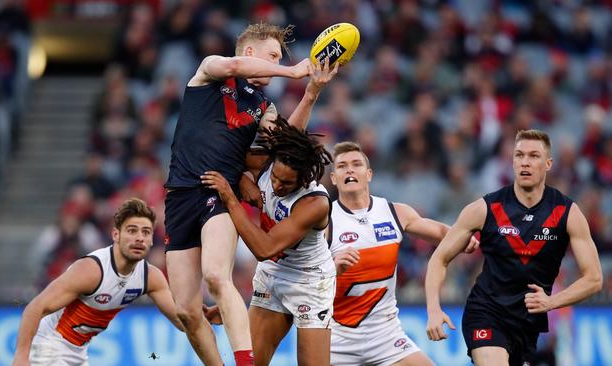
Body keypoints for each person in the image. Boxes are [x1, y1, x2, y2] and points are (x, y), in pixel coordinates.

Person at [164, 22, 337, 366]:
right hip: (179, 194)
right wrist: (291, 70)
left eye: (279, 59)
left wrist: (311, 91)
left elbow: (285, 143)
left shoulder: (264, 107)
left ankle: (244, 363)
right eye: (271, 56)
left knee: (215, 275)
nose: (274, 67)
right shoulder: (209, 71)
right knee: (184, 309)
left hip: (219, 192)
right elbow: (232, 67)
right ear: (248, 52)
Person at [425, 129, 603, 365]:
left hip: (527, 325)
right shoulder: (484, 208)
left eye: (533, 156)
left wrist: (552, 302)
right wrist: (433, 309)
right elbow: (439, 259)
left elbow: (594, 279)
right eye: (519, 155)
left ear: (548, 163)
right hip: (486, 312)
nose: (525, 162)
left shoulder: (567, 213)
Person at [327, 141, 478, 366]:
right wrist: (331, 265)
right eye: (342, 166)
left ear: (369, 174)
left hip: (386, 337)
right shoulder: (323, 220)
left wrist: (464, 239)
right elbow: (303, 276)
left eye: (356, 164)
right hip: (337, 338)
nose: (349, 169)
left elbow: (438, 231)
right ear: (333, 178)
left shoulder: (394, 212)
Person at [201, 117, 335, 366]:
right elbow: (224, 157)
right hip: (273, 274)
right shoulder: (264, 163)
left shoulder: (314, 203)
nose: (276, 185)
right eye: (274, 177)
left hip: (310, 283)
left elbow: (264, 248)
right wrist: (244, 181)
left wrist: (232, 199)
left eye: (286, 183)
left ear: (304, 179)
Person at [12, 198, 186, 366]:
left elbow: (182, 321)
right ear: (115, 234)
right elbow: (35, 307)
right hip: (50, 344)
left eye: (146, 232)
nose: (140, 238)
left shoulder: (150, 277)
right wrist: (21, 356)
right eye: (132, 231)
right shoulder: (91, 270)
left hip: (78, 351)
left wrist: (205, 318)